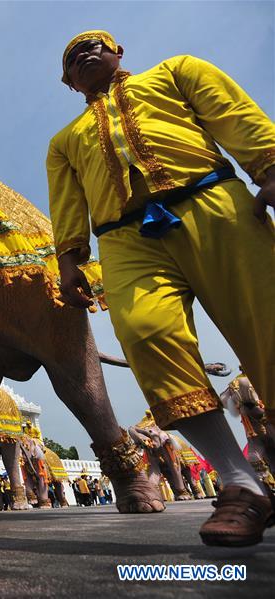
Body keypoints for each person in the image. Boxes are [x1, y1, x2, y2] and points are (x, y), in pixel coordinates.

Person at [48, 30, 275, 546]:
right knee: (146, 334)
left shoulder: (176, 72)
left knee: (268, 323)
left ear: (118, 53)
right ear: (68, 81)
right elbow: (66, 203)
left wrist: (269, 166)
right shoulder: (64, 141)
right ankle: (241, 485)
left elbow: (233, 114)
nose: (85, 52)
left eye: (95, 44)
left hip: (215, 205)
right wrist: (69, 260)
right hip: (125, 239)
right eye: (73, 56)